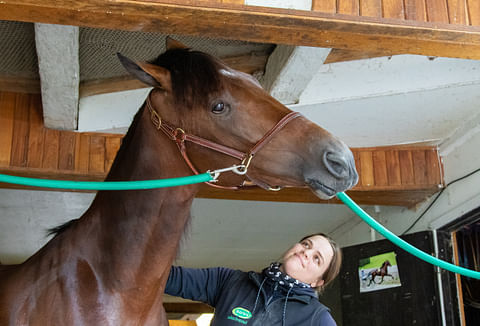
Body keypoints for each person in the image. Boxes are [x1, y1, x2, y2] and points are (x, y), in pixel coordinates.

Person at [165, 233, 342, 325]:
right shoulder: (230, 281)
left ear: (317, 282)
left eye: (317, 258)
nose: (306, 252)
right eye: (306, 244)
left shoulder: (317, 318)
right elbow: (163, 278)